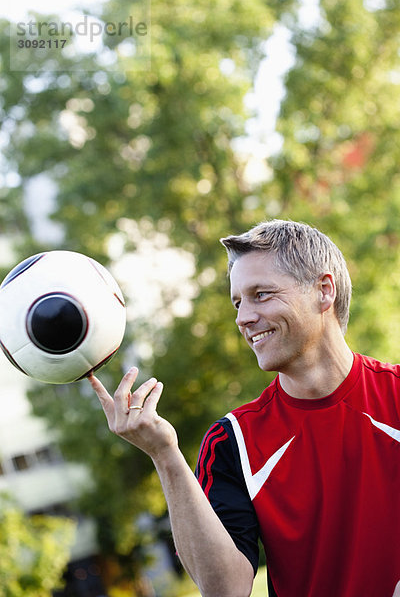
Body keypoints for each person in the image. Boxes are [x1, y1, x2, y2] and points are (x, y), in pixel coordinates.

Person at [89, 219, 400, 597]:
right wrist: (164, 454)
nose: (243, 318)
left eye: (261, 294)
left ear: (323, 290)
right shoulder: (231, 441)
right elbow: (226, 590)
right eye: (238, 302)